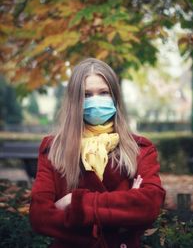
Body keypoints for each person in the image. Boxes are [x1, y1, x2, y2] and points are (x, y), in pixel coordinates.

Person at [29, 58, 165, 248]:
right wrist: (125, 204)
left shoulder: (140, 148)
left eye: (103, 92)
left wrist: (73, 202)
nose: (95, 100)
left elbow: (149, 206)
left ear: (115, 97)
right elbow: (40, 216)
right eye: (87, 95)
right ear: (75, 101)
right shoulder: (54, 148)